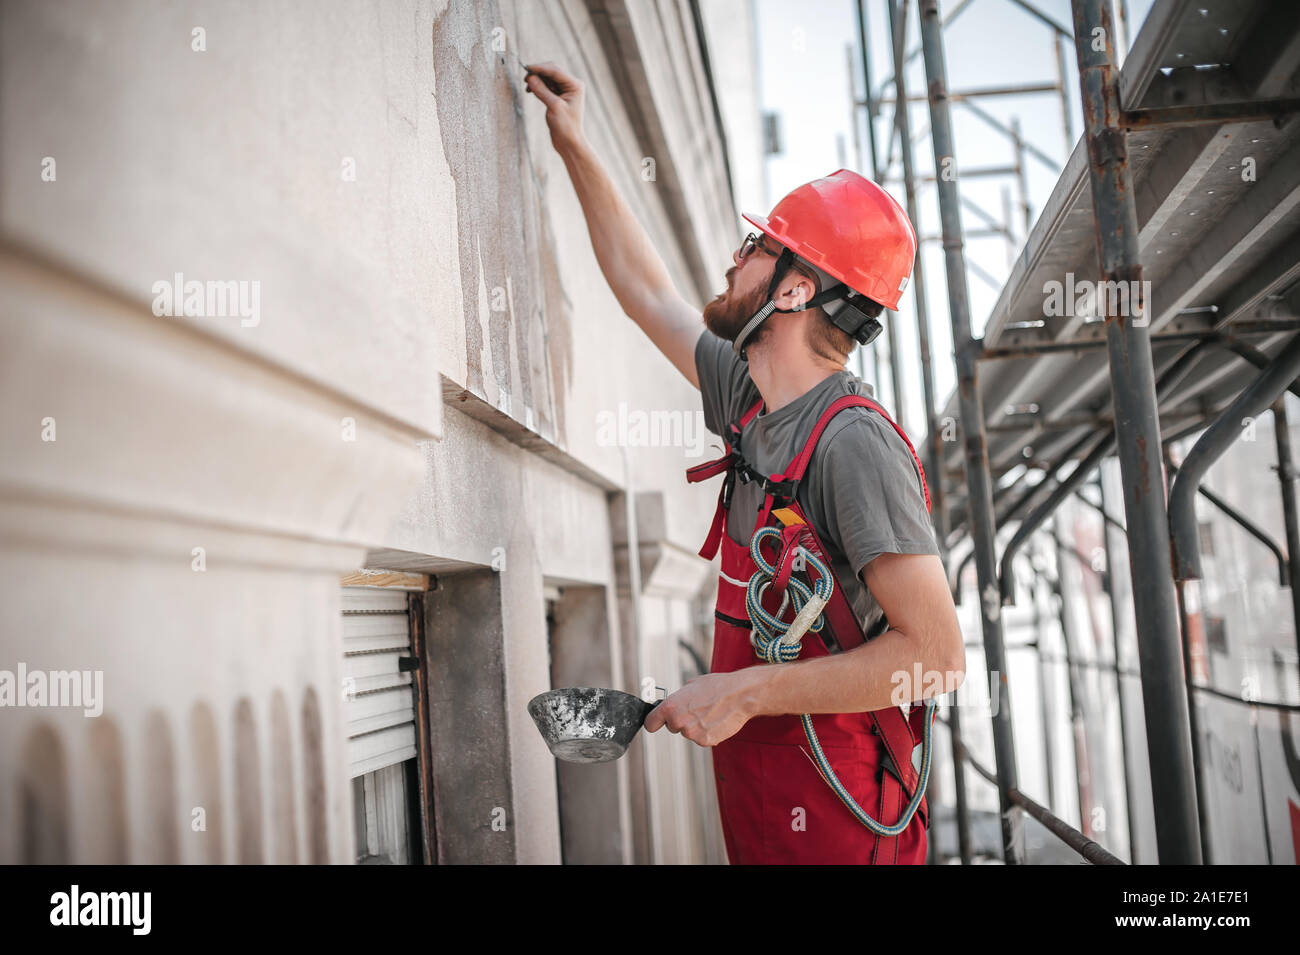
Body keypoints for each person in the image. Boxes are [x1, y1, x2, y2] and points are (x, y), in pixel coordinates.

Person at [525, 61, 965, 865]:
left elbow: (935, 658)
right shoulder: (751, 395)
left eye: (759, 247)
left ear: (796, 292)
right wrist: (575, 144)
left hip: (842, 821)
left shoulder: (852, 444)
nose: (735, 257)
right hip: (766, 807)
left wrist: (747, 690)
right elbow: (643, 289)